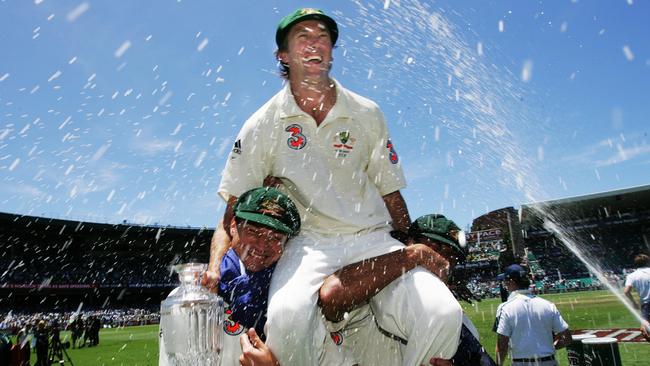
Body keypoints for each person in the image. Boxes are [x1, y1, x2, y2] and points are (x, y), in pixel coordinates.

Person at [206, 8, 462, 366]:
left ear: (331, 50)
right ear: (283, 55)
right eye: (303, 38)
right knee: (287, 318)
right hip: (309, 243)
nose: (315, 44)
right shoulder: (261, 124)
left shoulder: (367, 112)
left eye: (322, 37)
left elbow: (390, 192)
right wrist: (215, 266)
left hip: (372, 235)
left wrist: (408, 244)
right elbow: (231, 211)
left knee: (442, 312)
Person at [240, 214, 495, 366]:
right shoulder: (374, 281)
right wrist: (412, 257)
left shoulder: (459, 324)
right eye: (434, 252)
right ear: (401, 245)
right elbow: (333, 296)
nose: (440, 264)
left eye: (449, 260)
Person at [493, 264, 572, 366]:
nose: (505, 285)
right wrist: (549, 347)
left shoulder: (505, 308)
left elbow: (502, 344)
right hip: (549, 362)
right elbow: (567, 338)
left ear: (512, 282)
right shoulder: (548, 305)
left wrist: (498, 364)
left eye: (506, 282)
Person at [623, 253, 650, 340]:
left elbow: (626, 291)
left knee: (645, 329)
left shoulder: (632, 276)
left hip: (646, 305)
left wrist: (634, 302)